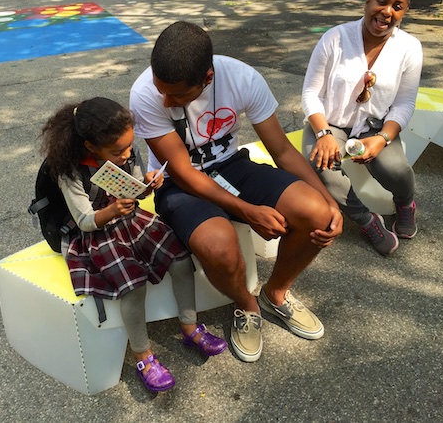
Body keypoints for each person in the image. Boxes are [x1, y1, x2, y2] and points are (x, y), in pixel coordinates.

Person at [130, 22, 343, 363]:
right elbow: (183, 172)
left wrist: (330, 200)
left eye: (178, 95)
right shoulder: (145, 93)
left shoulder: (243, 78)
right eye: (161, 89)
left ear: (208, 78)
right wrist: (247, 210)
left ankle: (276, 293)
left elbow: (283, 152)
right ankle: (246, 303)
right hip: (178, 182)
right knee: (218, 245)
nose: (165, 100)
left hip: (231, 165)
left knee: (317, 213)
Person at [39, 97, 227, 392]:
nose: (127, 154)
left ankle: (190, 327)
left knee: (179, 258)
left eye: (130, 146)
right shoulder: (71, 170)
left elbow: (137, 188)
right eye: (118, 151)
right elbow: (85, 219)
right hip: (94, 233)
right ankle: (143, 356)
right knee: (132, 284)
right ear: (90, 146)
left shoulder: (127, 152)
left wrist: (149, 182)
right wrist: (112, 211)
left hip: (128, 216)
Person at [301, 0, 422, 256]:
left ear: (405, 11)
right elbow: (310, 94)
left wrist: (382, 138)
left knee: (394, 168)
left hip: (375, 126)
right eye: (382, 1)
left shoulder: (409, 48)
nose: (387, 12)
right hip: (329, 122)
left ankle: (405, 203)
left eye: (397, 6)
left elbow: (405, 103)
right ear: (367, 2)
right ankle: (367, 220)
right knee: (322, 169)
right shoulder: (336, 39)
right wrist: (324, 133)